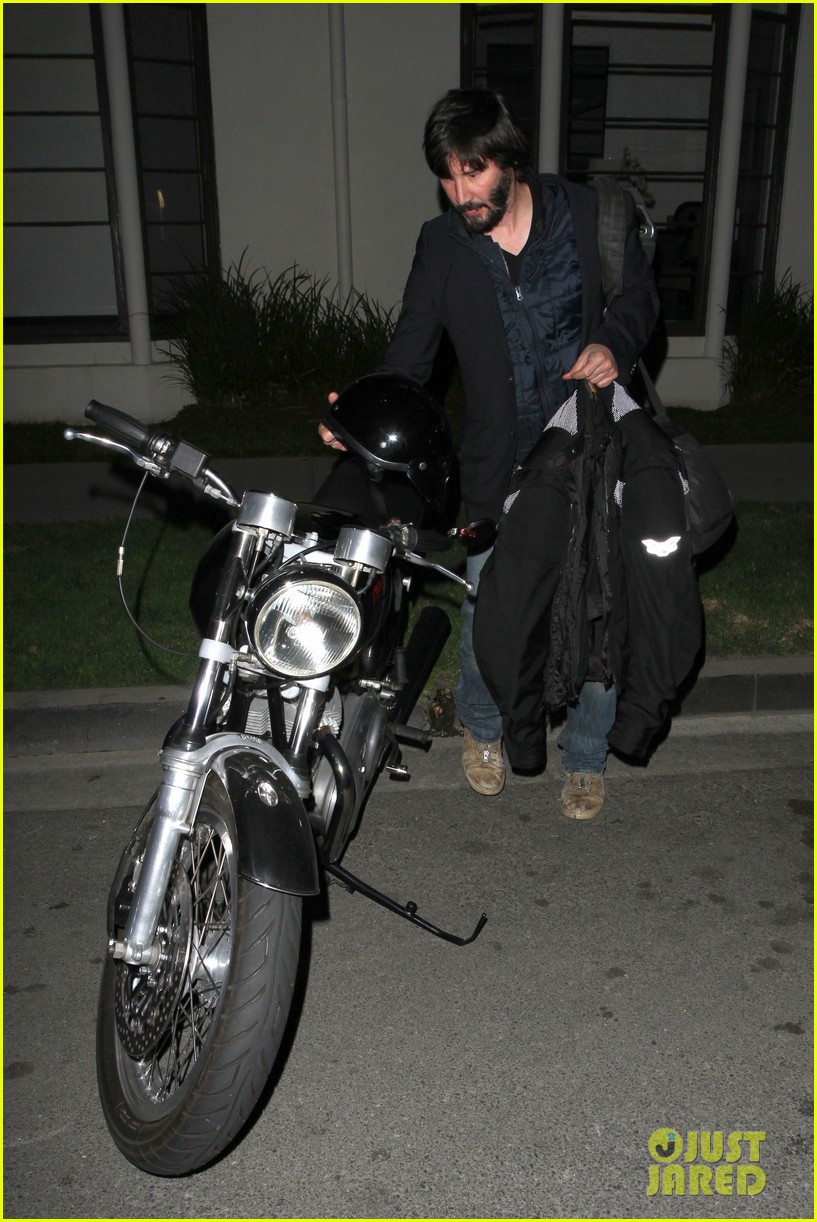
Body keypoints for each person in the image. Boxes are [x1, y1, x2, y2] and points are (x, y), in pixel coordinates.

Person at [320, 87, 659, 819]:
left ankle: (585, 757)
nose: (460, 192)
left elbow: (639, 298)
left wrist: (611, 343)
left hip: (588, 452)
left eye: (473, 172)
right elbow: (410, 355)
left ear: (508, 160)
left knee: (596, 608)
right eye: (447, 176)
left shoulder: (584, 214)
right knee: (486, 610)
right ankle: (481, 729)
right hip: (497, 468)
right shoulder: (442, 245)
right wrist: (357, 417)